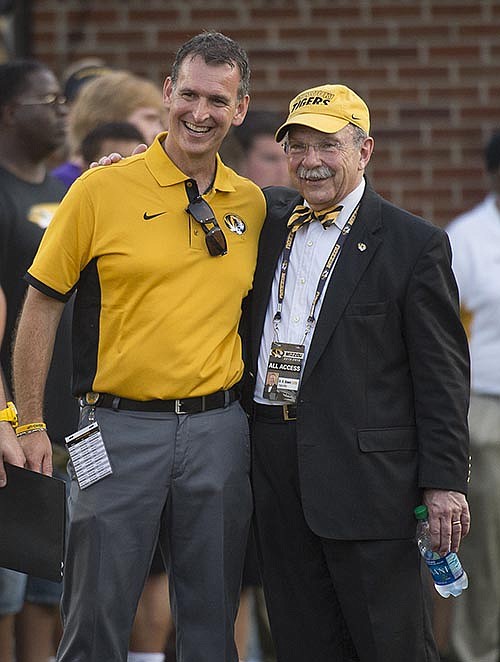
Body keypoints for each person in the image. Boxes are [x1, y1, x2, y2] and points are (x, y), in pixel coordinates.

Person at [12, 31, 266, 662]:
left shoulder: (253, 203)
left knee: (212, 618)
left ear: (240, 108)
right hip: (115, 428)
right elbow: (41, 304)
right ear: (166, 93)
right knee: (96, 615)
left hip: (219, 429)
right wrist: (29, 419)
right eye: (188, 95)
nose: (199, 113)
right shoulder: (100, 191)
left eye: (217, 99)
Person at [244, 84, 471, 662]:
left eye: (329, 145)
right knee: (301, 644)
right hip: (275, 469)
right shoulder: (266, 222)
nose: (311, 161)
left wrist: (444, 482)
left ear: (364, 151)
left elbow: (442, 375)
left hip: (370, 484)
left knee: (389, 644)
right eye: (297, 147)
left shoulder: (414, 244)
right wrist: (112, 170)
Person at [0, 58, 79, 662]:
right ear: (8, 112)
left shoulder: (62, 194)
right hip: (11, 425)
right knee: (8, 590)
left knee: (53, 591)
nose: (62, 114)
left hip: (66, 424)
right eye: (47, 102)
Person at [445, 130, 500, 662]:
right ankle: (477, 653)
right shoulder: (467, 238)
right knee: (485, 552)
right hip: (488, 411)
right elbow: (445, 338)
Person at [52, 69, 166, 188]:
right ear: (111, 118)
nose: (159, 131)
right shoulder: (62, 183)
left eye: (160, 121)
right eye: (149, 118)